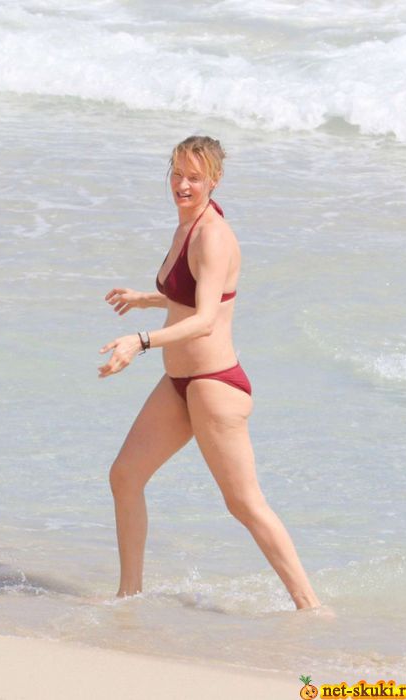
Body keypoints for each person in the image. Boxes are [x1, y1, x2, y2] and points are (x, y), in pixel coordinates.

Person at [98, 135, 321, 610]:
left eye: (194, 178)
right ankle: (128, 596)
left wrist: (140, 341)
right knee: (125, 476)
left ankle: (311, 606)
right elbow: (194, 295)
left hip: (215, 385)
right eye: (177, 173)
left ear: (214, 180)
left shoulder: (213, 235)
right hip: (179, 385)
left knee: (243, 503)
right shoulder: (186, 225)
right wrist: (147, 298)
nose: (183, 184)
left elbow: (204, 320)